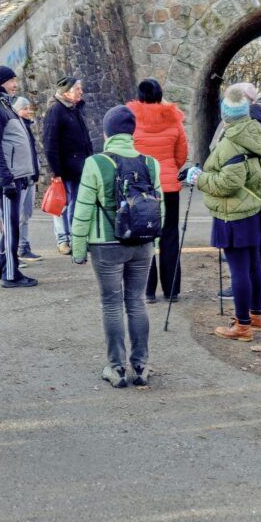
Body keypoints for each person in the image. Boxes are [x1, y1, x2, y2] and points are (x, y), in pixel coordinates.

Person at [71, 106, 163, 388]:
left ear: (107, 133)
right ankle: (141, 365)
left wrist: (78, 248)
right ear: (132, 132)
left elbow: (83, 209)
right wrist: (155, 243)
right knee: (136, 302)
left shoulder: (96, 163)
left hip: (106, 244)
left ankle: (117, 368)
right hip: (142, 243)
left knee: (111, 304)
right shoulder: (150, 163)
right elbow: (159, 207)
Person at [192, 84, 261, 342]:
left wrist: (198, 178)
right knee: (254, 265)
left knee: (239, 270)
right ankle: (256, 315)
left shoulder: (230, 144)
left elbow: (227, 184)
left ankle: (242, 325)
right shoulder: (254, 132)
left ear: (225, 114)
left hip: (232, 215)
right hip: (252, 210)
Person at [126, 78, 189, 303]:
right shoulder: (174, 119)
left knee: (144, 236)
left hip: (142, 187)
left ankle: (148, 290)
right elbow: (181, 154)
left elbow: (128, 153)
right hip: (169, 186)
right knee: (170, 235)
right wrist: (170, 169)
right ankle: (171, 290)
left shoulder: (131, 120)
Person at [0, 65, 38, 287]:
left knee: (9, 226)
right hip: (7, 178)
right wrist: (6, 179)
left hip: (13, 176)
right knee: (10, 228)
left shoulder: (2, 104)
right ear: (1, 82)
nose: (15, 85)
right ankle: (11, 275)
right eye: (12, 80)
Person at [43, 76, 93, 255]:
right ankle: (64, 240)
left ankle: (75, 238)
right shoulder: (56, 110)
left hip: (78, 167)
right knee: (62, 205)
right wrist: (56, 171)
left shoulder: (74, 109)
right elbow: (50, 143)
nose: (81, 92)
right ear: (67, 92)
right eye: (77, 89)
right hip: (65, 169)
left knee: (76, 204)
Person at [12, 96, 43, 262]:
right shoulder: (16, 128)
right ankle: (15, 250)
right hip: (21, 178)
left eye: (29, 108)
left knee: (26, 214)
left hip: (30, 177)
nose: (29, 111)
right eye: (25, 109)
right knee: (17, 216)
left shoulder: (27, 128)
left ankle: (23, 246)